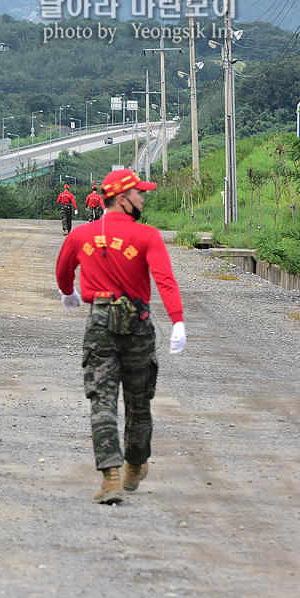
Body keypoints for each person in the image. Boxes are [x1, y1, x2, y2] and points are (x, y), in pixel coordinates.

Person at [55, 168, 186, 504]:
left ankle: (110, 477)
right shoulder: (147, 236)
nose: (143, 198)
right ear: (123, 198)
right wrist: (177, 321)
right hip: (138, 323)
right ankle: (134, 465)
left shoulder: (81, 235)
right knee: (139, 401)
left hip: (100, 322)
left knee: (102, 399)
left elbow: (63, 270)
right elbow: (165, 280)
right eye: (139, 193)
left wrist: (68, 292)